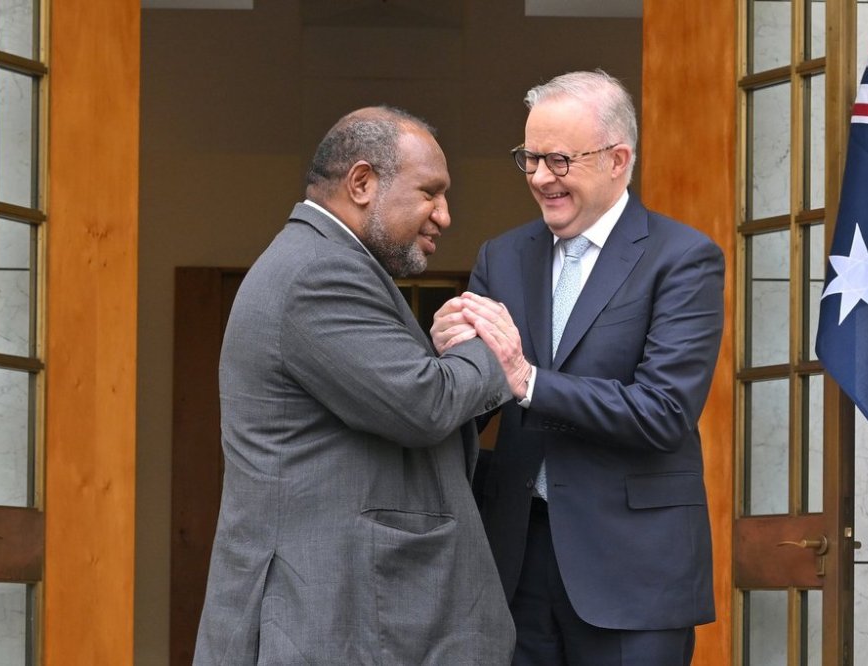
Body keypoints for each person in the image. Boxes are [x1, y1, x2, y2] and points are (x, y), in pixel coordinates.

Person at [194, 106, 518, 665]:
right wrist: (490, 350)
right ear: (362, 182)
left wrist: (448, 361)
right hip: (323, 623)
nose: (445, 216)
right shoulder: (319, 272)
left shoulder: (325, 262)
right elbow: (424, 404)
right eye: (430, 193)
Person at [432, 70, 725, 665]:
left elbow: (664, 412)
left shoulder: (683, 259)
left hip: (633, 572)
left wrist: (528, 381)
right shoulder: (501, 257)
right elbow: (473, 403)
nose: (541, 177)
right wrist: (447, 359)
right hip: (517, 562)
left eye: (559, 160)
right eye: (530, 159)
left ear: (618, 159)